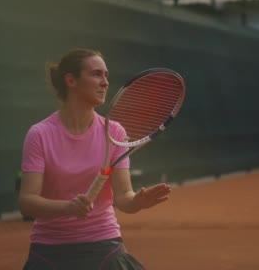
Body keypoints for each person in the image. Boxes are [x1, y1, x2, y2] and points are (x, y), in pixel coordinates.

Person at [19, 48, 172, 269]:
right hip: (49, 249)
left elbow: (123, 198)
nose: (105, 82)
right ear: (71, 80)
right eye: (96, 74)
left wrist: (137, 202)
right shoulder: (40, 134)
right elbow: (27, 202)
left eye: (106, 75)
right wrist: (68, 208)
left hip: (104, 246)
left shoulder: (115, 133)